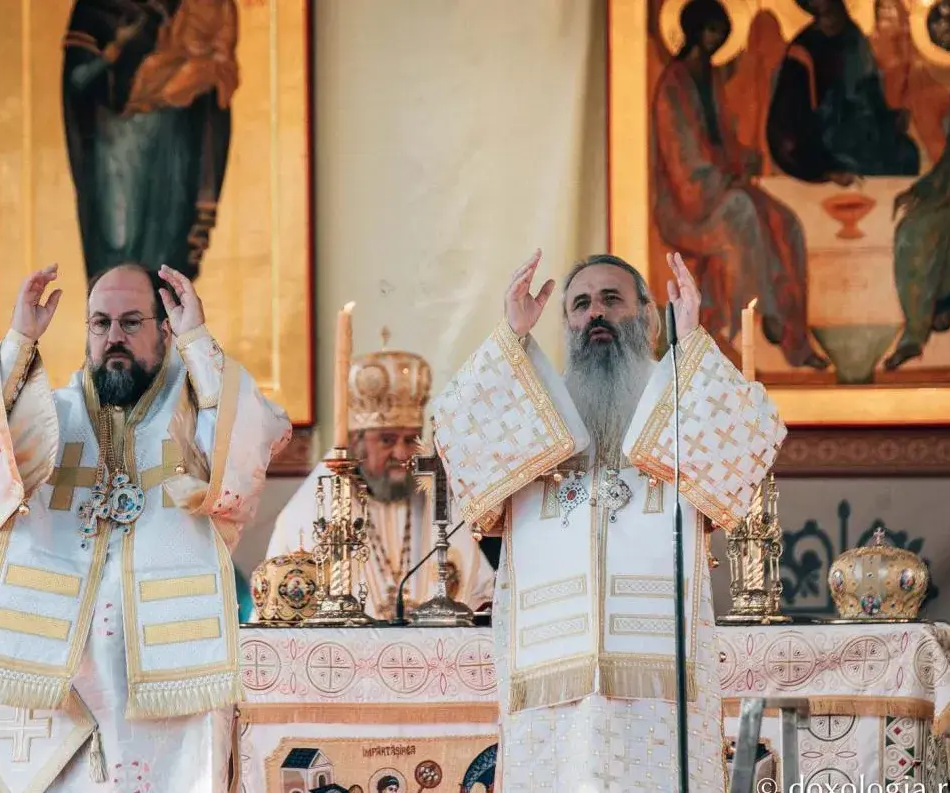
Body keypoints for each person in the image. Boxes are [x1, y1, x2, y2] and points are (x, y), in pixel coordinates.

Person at [430, 251, 785, 790]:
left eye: (611, 299)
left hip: (662, 674)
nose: (595, 312)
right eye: (580, 304)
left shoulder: (680, 399)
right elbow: (456, 426)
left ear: (647, 316)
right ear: (566, 322)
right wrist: (512, 335)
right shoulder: (533, 410)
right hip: (551, 669)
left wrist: (691, 338)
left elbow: (751, 433)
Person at [0, 262, 291, 791]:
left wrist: (199, 341)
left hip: (170, 668)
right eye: (100, 323)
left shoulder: (194, 413)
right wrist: (19, 340)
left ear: (164, 329)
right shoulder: (50, 416)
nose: (114, 338)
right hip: (63, 672)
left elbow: (258, 432)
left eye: (131, 322)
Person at [268, 332, 495, 620]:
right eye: (387, 440)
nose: (402, 453)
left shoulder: (437, 501)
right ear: (356, 442)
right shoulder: (307, 514)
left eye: (410, 439)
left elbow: (481, 596)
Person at [651, 0, 827, 369]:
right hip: (687, 203)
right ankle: (741, 325)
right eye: (711, 30)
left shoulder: (711, 78)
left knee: (785, 222)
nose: (716, 39)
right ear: (695, 30)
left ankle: (792, 333)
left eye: (721, 32)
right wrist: (724, 174)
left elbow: (723, 141)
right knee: (742, 213)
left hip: (721, 186)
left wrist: (743, 159)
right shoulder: (673, 85)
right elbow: (682, 157)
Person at [62, 0, 238, 280]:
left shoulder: (197, 5)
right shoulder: (97, 7)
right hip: (117, 158)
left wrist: (199, 73)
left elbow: (214, 103)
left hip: (173, 157)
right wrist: (118, 49)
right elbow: (78, 82)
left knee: (167, 259)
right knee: (118, 259)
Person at [885, 0, 950, 371]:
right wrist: (924, 188)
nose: (940, 41)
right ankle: (916, 331)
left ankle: (933, 313)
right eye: (933, 36)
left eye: (942, 31)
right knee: (910, 230)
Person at [766, 0, 919, 183]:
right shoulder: (803, 50)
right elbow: (786, 124)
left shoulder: (854, 37)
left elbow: (870, 97)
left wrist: (890, 120)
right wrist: (824, 171)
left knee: (907, 155)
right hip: (829, 147)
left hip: (863, 137)